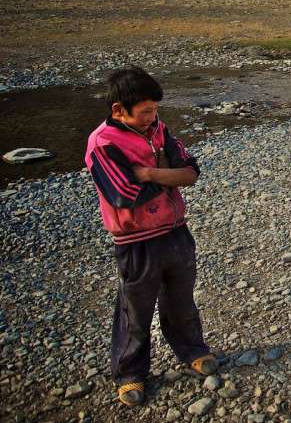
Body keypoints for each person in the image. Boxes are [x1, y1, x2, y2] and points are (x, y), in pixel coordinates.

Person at [84, 66, 217, 406]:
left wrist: (150, 172)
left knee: (181, 299)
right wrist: (173, 175)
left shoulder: (159, 129)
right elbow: (125, 194)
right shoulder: (102, 144)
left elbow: (192, 171)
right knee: (135, 310)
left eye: (154, 110)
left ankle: (192, 350)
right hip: (135, 240)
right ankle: (130, 373)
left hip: (175, 231)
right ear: (119, 111)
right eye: (145, 112)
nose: (152, 118)